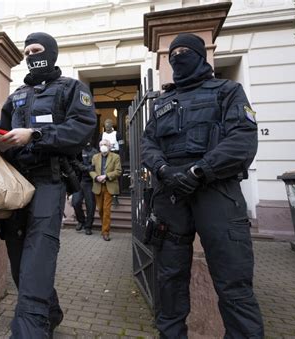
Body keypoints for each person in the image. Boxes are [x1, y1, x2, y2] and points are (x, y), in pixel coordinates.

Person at [141, 33, 264, 338]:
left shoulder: (228, 91)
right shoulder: (162, 102)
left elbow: (242, 141)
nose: (178, 56)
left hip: (217, 194)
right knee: (169, 281)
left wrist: (199, 171)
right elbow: (148, 144)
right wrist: (164, 169)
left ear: (201, 55)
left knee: (234, 282)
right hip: (170, 198)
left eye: (186, 51)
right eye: (174, 52)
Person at [0, 32, 96, 338]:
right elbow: (1, 130)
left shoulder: (71, 89)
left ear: (51, 52)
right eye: (27, 51)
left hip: (49, 182)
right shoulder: (15, 95)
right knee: (18, 260)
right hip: (15, 185)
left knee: (38, 257)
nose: (30, 55)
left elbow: (81, 129)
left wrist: (36, 135)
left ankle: (30, 330)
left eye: (36, 49)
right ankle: (50, 312)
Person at [89, 139, 122, 241]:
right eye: (101, 144)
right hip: (98, 186)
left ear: (109, 146)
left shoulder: (115, 157)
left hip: (109, 186)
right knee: (101, 209)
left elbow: (118, 171)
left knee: (106, 210)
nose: (103, 146)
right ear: (99, 146)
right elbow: (91, 170)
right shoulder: (95, 157)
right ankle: (104, 226)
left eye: (105, 144)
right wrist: (96, 177)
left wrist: (106, 176)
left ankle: (105, 232)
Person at [71, 141, 98, 235]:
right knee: (75, 202)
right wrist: (84, 167)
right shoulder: (79, 151)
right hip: (79, 180)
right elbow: (74, 161)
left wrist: (90, 168)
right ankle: (81, 221)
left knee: (90, 205)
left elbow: (96, 165)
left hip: (90, 182)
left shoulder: (95, 152)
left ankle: (88, 226)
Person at [101, 118, 123, 206]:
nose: (107, 128)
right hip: (104, 156)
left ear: (112, 126)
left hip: (115, 154)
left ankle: (115, 196)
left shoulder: (117, 134)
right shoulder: (102, 135)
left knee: (114, 176)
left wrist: (120, 157)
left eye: (109, 126)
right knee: (105, 174)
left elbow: (122, 146)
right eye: (106, 126)